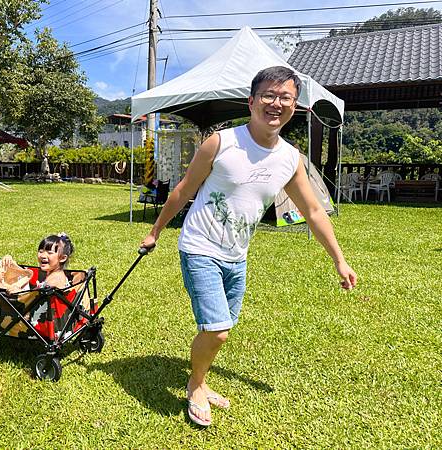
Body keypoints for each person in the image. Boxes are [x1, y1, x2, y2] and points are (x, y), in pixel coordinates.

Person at [140, 66, 357, 427]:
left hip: (237, 255)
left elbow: (314, 211)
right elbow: (183, 191)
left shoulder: (291, 159)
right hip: (199, 245)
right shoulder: (221, 142)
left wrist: (339, 260)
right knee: (218, 329)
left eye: (285, 97)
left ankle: (200, 377)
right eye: (268, 96)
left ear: (295, 106)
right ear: (252, 101)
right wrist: (156, 231)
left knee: (220, 328)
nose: (276, 103)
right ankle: (196, 385)